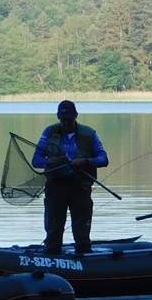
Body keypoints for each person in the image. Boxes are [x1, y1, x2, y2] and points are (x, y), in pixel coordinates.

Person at [32, 99, 109, 255]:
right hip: (55, 188)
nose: (66, 122)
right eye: (62, 119)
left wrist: (85, 161)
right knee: (53, 230)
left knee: (82, 231)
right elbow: (36, 161)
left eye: (69, 119)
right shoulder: (49, 132)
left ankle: (84, 256)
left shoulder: (89, 134)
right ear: (58, 117)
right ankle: (52, 256)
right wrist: (51, 161)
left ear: (76, 116)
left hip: (81, 188)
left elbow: (103, 159)